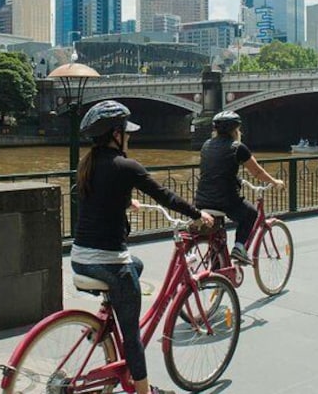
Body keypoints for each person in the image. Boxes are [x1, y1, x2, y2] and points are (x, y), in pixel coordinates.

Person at [70, 100, 213, 394]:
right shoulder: (126, 166)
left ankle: (105, 318)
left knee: (137, 265)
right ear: (115, 135)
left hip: (79, 258)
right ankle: (144, 390)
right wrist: (199, 215)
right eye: (126, 131)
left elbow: (93, 197)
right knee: (133, 333)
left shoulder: (87, 165)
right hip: (109, 262)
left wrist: (125, 200)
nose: (130, 137)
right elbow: (165, 196)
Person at [194, 110, 285, 265]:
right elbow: (257, 172)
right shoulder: (237, 147)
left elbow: (215, 169)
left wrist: (237, 179)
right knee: (250, 213)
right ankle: (239, 247)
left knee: (218, 234)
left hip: (202, 200)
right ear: (235, 130)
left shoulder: (206, 145)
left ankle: (218, 270)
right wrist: (275, 181)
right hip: (225, 201)